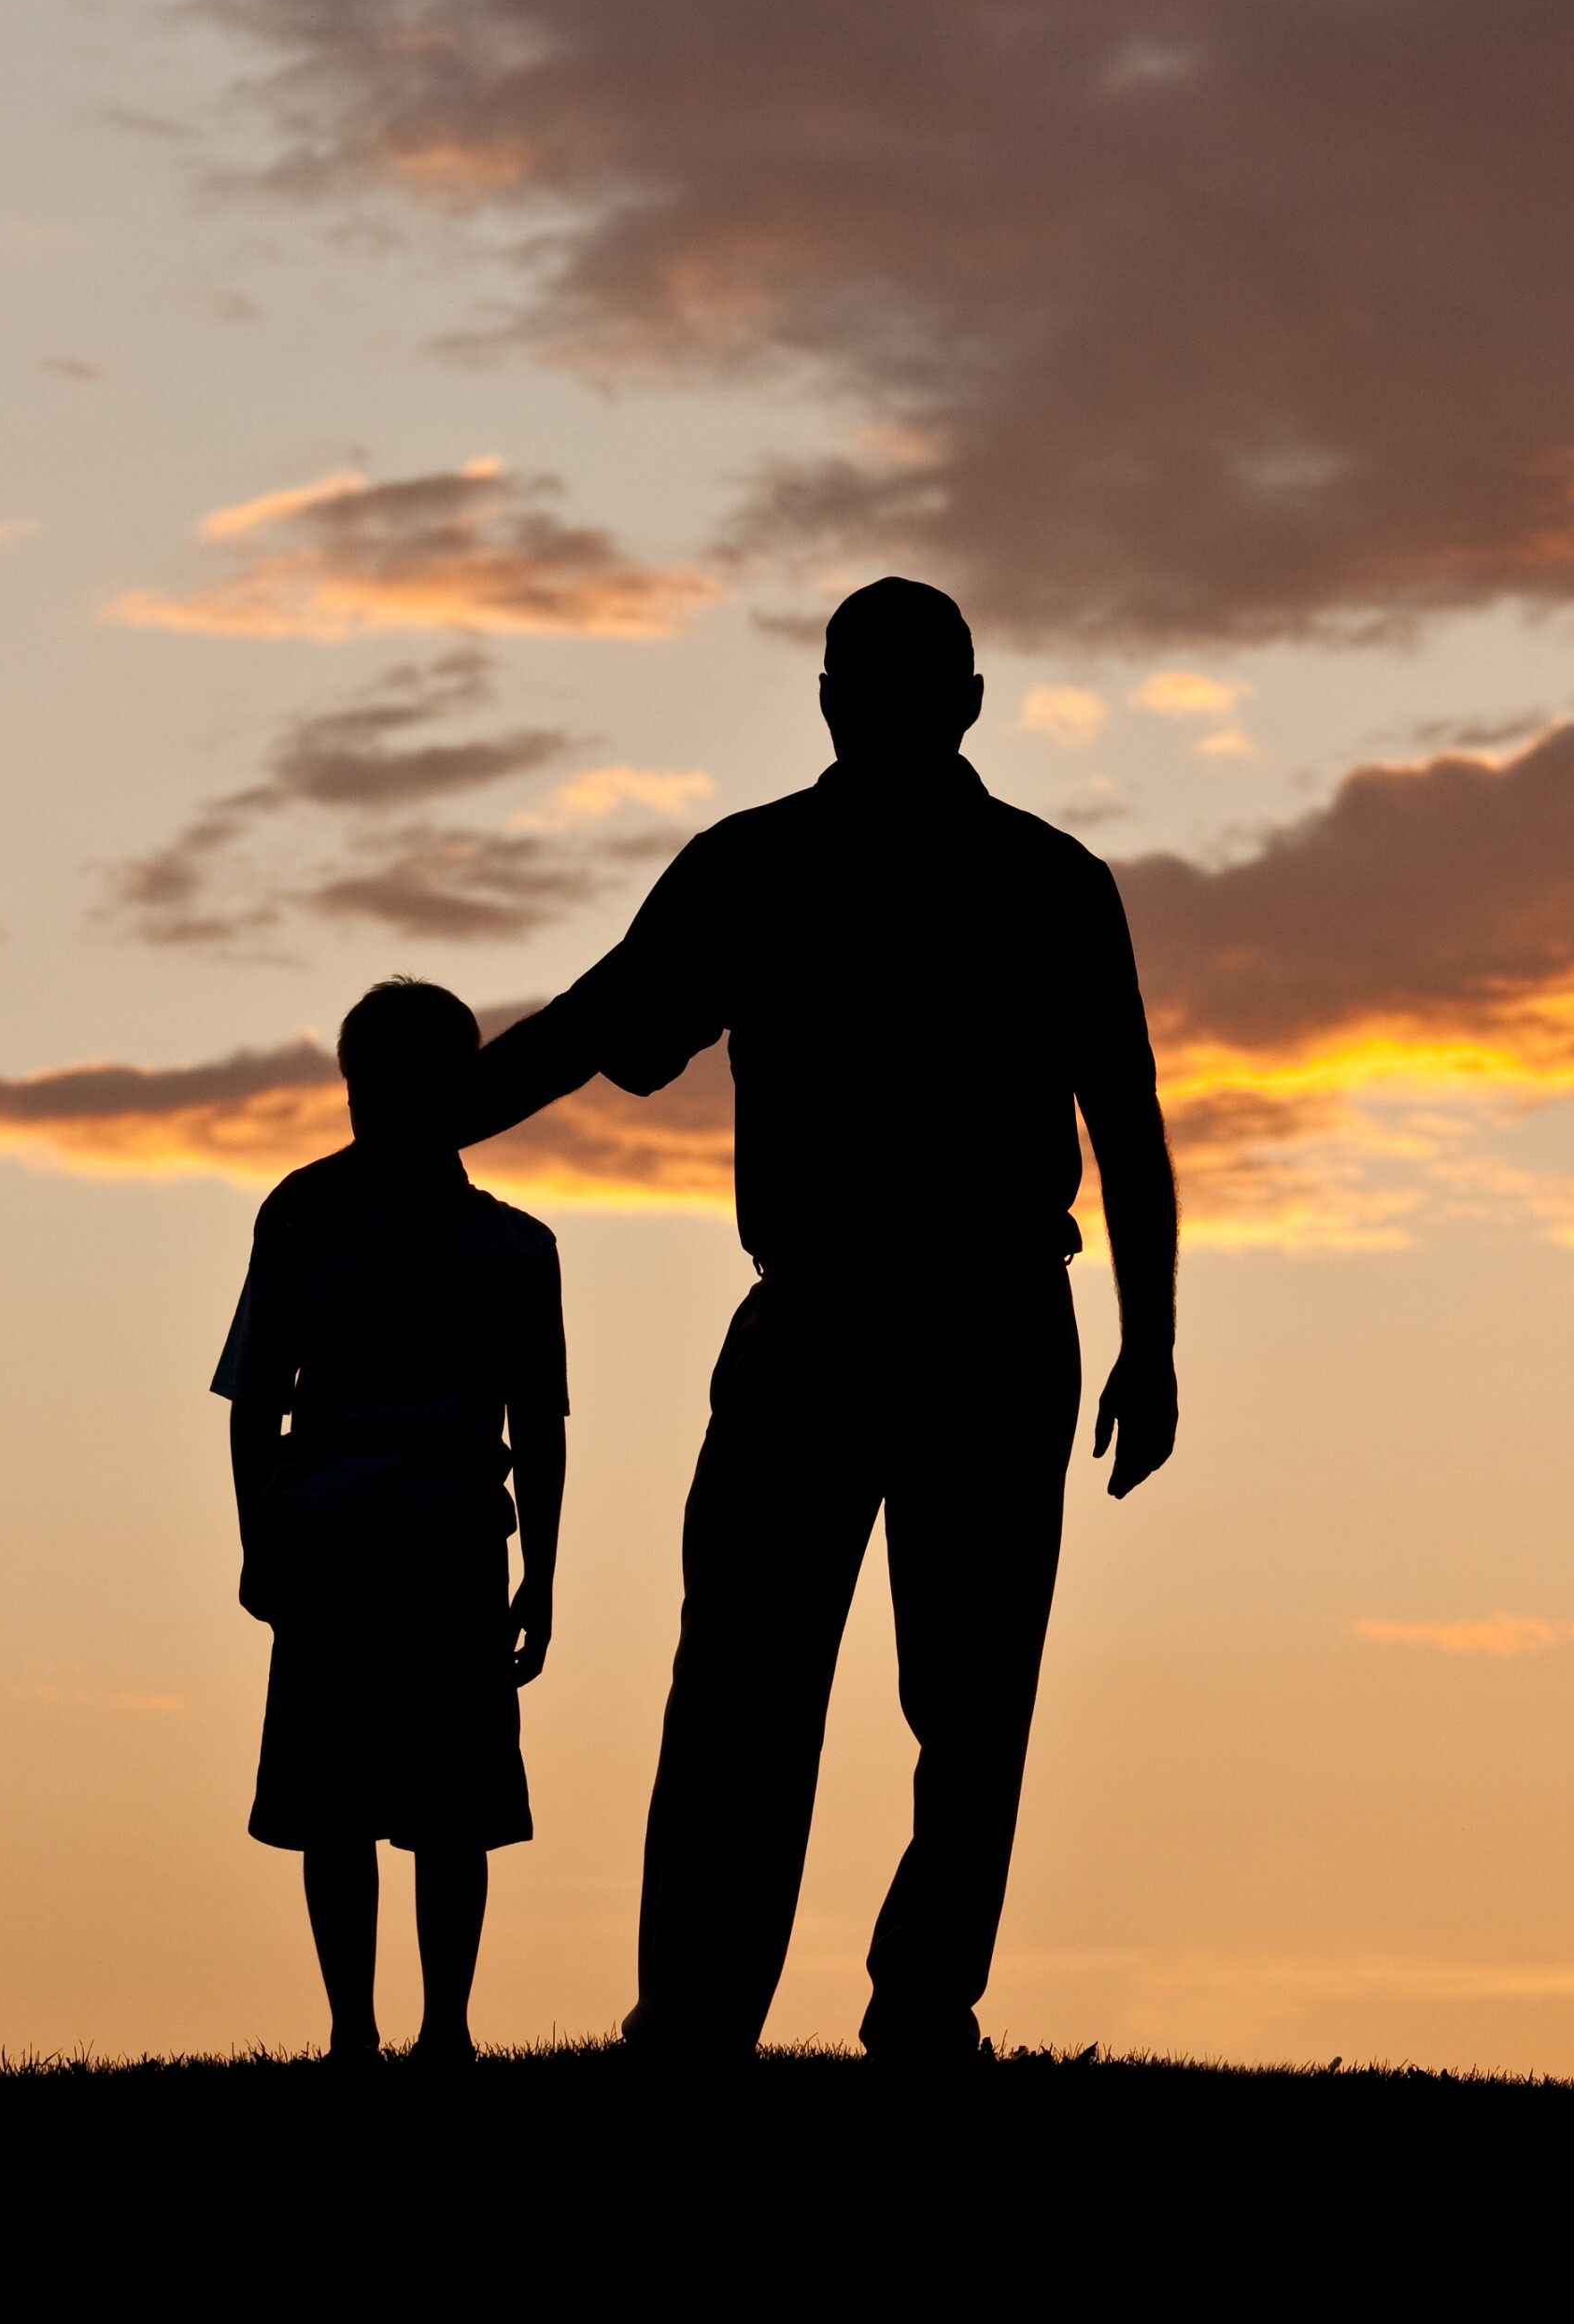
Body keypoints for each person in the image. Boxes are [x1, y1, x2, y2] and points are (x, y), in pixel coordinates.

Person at [454, 575, 1178, 2063]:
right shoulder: (812, 867)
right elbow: (607, 1020)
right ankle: (749, 2011)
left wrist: (1150, 1339)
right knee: (782, 1681)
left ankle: (860, 2004)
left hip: (949, 1314)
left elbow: (1125, 1115)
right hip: (877, 1318)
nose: (890, 704)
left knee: (897, 1687)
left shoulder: (988, 876)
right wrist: (435, 1128)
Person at [211, 977, 569, 2066]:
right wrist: (257, 1536)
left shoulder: (503, 1242)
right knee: (372, 1801)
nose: (375, 1101)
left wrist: (539, 1576)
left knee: (410, 1802)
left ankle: (422, 2028)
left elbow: (537, 1422)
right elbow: (258, 1394)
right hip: (367, 1541)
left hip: (426, 1543)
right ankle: (374, 2029)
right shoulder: (319, 1214)